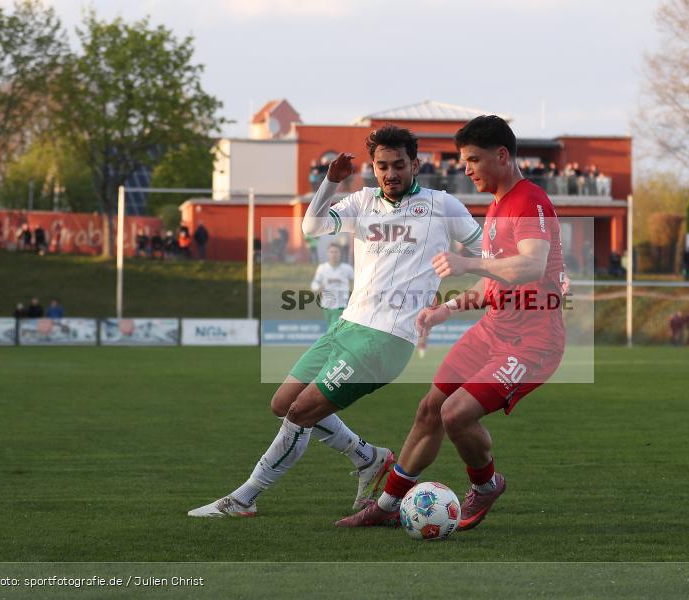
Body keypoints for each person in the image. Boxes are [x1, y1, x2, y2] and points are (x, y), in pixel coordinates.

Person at [188, 124, 484, 518]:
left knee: (300, 414)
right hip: (346, 326)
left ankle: (243, 498)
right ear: (373, 168)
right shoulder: (362, 202)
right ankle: (369, 458)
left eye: (399, 164)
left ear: (415, 164)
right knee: (283, 403)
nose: (391, 173)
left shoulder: (442, 205)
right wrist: (330, 183)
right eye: (382, 166)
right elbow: (312, 228)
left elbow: (489, 252)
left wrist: (461, 288)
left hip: (385, 340)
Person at [337, 115, 565, 530]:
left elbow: (532, 265)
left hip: (532, 342)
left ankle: (486, 483)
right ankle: (387, 505)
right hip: (494, 329)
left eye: (473, 159)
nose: (466, 169)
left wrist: (464, 261)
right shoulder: (498, 204)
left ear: (501, 155)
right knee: (430, 408)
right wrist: (448, 309)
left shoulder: (529, 200)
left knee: (456, 413)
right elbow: (495, 276)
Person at [311, 243, 354, 328]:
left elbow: (356, 282)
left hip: (341, 305)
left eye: (336, 252)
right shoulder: (322, 268)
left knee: (333, 328)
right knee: (331, 328)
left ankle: (325, 341)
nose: (334, 254)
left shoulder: (347, 268)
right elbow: (314, 283)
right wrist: (317, 288)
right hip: (327, 305)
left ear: (340, 253)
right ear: (328, 253)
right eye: (331, 252)